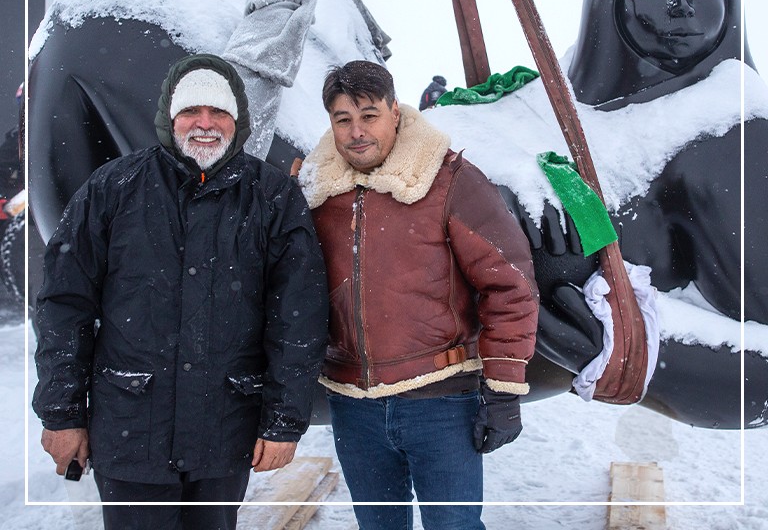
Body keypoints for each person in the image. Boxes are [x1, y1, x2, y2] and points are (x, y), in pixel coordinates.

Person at [33, 53, 329, 530]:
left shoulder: (272, 197)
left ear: (240, 119)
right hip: (130, 428)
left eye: (219, 112)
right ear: (169, 118)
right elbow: (64, 306)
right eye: (191, 111)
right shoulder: (112, 188)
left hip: (224, 433)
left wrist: (284, 421)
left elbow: (299, 317)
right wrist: (61, 414)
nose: (204, 124)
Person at [297, 60, 539, 530]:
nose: (356, 132)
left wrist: (504, 388)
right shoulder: (315, 188)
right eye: (342, 119)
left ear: (395, 111)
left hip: (441, 403)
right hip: (352, 405)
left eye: (369, 115)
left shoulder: (447, 179)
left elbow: (509, 284)